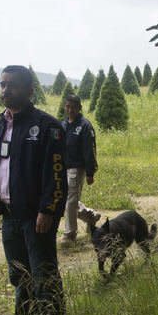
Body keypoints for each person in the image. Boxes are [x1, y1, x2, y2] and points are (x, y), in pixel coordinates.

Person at [0, 65, 67, 315]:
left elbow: (55, 172)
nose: (6, 90)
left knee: (44, 276)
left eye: (13, 85)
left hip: (37, 217)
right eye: (3, 84)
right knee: (20, 276)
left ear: (29, 91)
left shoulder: (46, 126)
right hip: (10, 216)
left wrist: (48, 209)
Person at [60, 94, 100, 245]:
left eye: (73, 107)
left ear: (79, 108)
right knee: (69, 199)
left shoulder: (84, 126)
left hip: (77, 168)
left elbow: (89, 150)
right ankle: (91, 216)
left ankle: (70, 234)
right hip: (63, 167)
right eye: (68, 107)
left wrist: (90, 172)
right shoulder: (63, 125)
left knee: (70, 201)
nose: (70, 110)